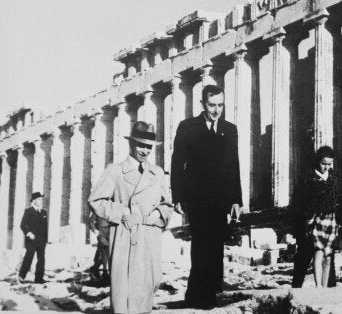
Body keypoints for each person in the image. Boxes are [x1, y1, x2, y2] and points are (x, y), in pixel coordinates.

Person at [89, 121, 174, 314]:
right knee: (125, 291)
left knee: (149, 284)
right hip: (124, 235)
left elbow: (167, 205)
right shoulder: (115, 170)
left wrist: (158, 213)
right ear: (131, 144)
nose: (145, 150)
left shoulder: (157, 172)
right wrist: (121, 212)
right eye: (141, 145)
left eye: (149, 146)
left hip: (149, 235)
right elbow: (95, 200)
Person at [170, 84, 243, 309]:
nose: (216, 110)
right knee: (201, 244)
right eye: (212, 105)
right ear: (202, 104)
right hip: (197, 197)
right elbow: (177, 162)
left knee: (217, 244)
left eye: (220, 105)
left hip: (221, 199)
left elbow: (234, 167)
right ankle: (197, 295)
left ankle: (211, 292)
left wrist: (236, 201)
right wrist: (178, 196)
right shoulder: (188, 127)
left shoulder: (230, 129)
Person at [292, 146, 340, 288]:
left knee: (328, 257)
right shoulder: (307, 177)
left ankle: (329, 289)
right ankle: (296, 289)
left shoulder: (334, 178)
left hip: (328, 221)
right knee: (303, 258)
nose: (326, 168)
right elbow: (298, 202)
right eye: (323, 164)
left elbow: (337, 199)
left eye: (329, 164)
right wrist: (304, 221)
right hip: (309, 222)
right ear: (317, 161)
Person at [18, 192, 48, 284]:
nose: (40, 201)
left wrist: (45, 240)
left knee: (41, 259)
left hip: (41, 240)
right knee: (29, 257)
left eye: (41, 199)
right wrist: (28, 233)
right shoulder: (28, 211)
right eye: (38, 199)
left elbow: (45, 227)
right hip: (31, 240)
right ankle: (21, 276)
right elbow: (22, 225)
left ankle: (39, 279)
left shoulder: (43, 212)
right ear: (34, 201)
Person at [86, 210, 110, 285]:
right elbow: (91, 222)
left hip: (110, 234)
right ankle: (104, 272)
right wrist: (95, 230)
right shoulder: (97, 210)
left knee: (108, 253)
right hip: (101, 234)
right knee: (104, 251)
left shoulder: (111, 208)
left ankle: (96, 268)